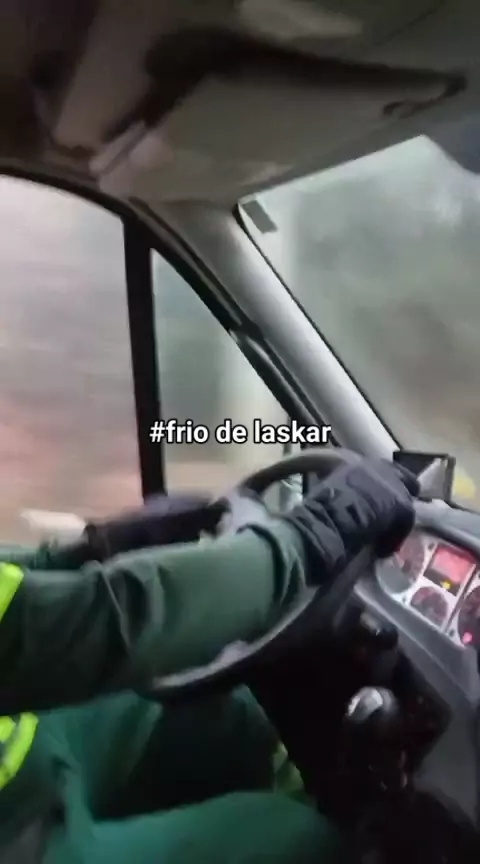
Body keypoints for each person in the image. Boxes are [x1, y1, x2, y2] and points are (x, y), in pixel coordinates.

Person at [0, 458, 418, 864]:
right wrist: (314, 535)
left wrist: (97, 547)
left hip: (28, 743)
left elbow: (16, 592)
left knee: (218, 709)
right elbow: (118, 618)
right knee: (298, 839)